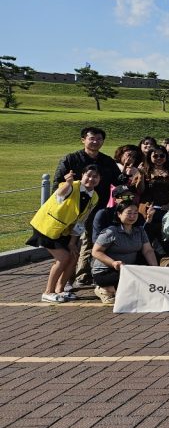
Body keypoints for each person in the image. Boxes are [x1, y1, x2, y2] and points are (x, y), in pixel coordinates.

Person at [55, 127, 121, 288]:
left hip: (96, 209)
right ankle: (65, 281)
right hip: (70, 209)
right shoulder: (70, 159)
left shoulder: (107, 161)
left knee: (89, 242)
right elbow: (58, 183)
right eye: (92, 138)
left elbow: (118, 182)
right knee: (68, 245)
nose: (95, 142)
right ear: (83, 140)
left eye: (99, 139)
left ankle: (82, 276)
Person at [29, 165, 101, 303]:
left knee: (73, 257)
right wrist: (68, 183)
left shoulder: (94, 196)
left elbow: (81, 221)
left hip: (64, 231)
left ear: (99, 179)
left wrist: (72, 242)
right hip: (47, 227)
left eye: (95, 176)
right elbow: (60, 194)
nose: (91, 179)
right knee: (63, 258)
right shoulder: (71, 186)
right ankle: (48, 292)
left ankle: (60, 290)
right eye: (88, 175)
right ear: (82, 175)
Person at [91, 202, 159, 304]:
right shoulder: (110, 232)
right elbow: (96, 252)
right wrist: (113, 263)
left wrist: (155, 270)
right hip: (106, 271)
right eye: (129, 213)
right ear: (119, 214)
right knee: (134, 283)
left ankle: (117, 289)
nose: (132, 216)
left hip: (128, 269)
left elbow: (148, 250)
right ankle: (104, 289)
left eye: (135, 213)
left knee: (148, 267)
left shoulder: (140, 230)